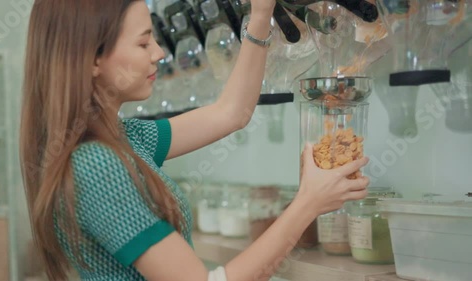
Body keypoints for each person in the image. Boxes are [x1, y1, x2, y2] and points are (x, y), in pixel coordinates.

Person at [19, 0, 370, 280]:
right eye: (143, 42)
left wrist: (261, 14)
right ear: (93, 60)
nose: (158, 53)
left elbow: (232, 112)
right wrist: (308, 203)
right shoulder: (94, 165)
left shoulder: (128, 138)